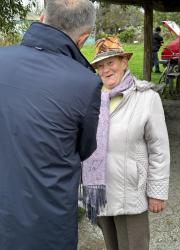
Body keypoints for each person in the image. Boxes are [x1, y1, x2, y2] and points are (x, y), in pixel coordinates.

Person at [0, 1, 101, 250]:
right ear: (84, 37)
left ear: (42, 17)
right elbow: (85, 148)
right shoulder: (85, 83)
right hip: (47, 220)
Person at [82, 36, 170, 250]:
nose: (105, 69)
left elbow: (159, 149)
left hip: (130, 192)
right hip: (99, 191)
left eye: (111, 62)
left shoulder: (146, 98)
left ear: (124, 61)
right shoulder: (91, 99)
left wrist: (157, 192)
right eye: (100, 66)